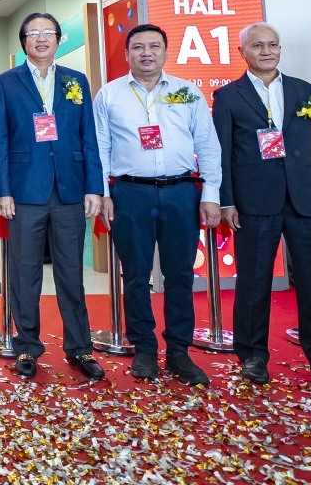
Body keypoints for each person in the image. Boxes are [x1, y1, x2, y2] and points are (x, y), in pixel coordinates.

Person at [212, 22, 311, 393]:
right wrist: (226, 200)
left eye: (273, 44)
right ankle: (252, 355)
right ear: (242, 51)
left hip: (305, 198)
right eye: (258, 45)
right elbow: (222, 155)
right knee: (254, 281)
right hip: (253, 201)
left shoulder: (303, 90)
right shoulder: (227, 96)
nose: (266, 51)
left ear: (280, 49)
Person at [94, 23, 221, 387]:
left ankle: (179, 350)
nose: (146, 53)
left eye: (154, 46)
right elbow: (100, 147)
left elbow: (207, 145)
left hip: (181, 191)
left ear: (165, 52)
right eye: (138, 47)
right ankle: (145, 348)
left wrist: (211, 194)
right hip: (130, 193)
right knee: (135, 274)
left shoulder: (187, 91)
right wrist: (103, 193)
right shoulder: (110, 94)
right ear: (127, 54)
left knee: (180, 274)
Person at [0, 13, 105, 380]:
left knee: (72, 274)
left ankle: (80, 348)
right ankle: (27, 346)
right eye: (33, 33)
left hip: (70, 189)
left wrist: (94, 186)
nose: (41, 39)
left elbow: (89, 136)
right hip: (24, 191)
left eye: (48, 33)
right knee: (25, 274)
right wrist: (2, 191)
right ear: (23, 40)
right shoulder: (5, 83)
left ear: (58, 39)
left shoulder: (76, 80)